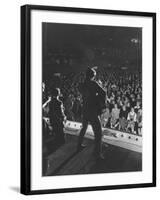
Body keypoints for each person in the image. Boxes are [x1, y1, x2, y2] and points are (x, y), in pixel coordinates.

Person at [77, 67, 106, 160]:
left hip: (85, 109)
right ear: (93, 76)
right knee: (98, 133)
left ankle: (79, 145)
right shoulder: (93, 83)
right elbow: (104, 93)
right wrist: (100, 103)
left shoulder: (81, 84)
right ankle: (97, 153)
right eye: (94, 75)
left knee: (83, 128)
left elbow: (84, 93)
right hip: (93, 111)